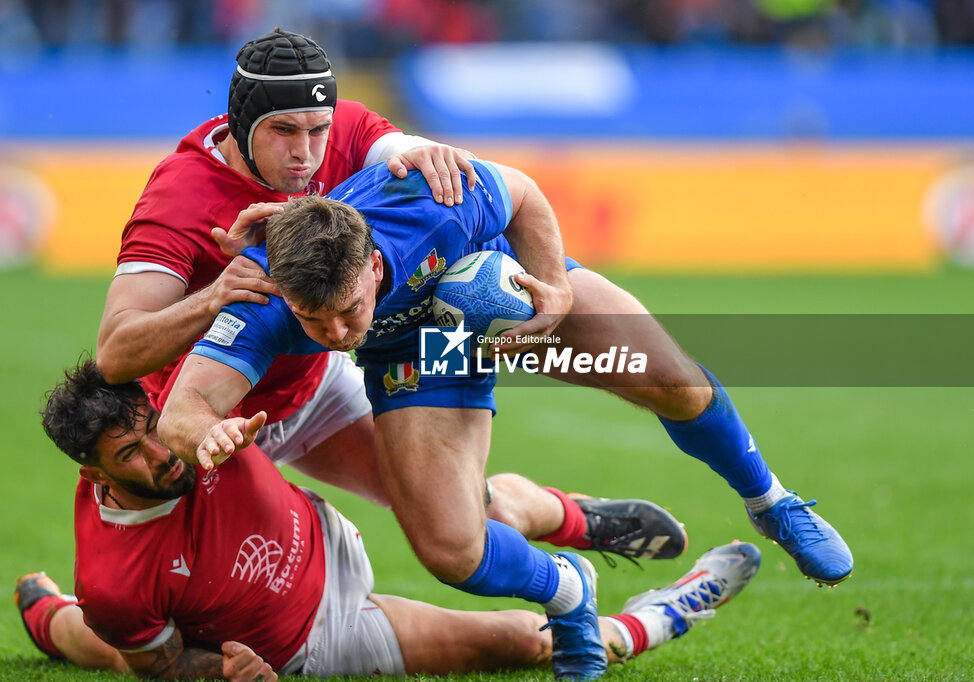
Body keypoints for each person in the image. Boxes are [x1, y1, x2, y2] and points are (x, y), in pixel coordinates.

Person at [158, 159, 853, 679]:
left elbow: (520, 191)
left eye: (349, 310)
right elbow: (182, 409)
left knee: (673, 381)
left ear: (373, 265)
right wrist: (207, 432)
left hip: (505, 288)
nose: (338, 333)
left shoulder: (424, 201)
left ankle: (771, 501)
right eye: (317, 321)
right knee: (450, 551)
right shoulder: (265, 296)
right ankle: (569, 587)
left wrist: (551, 288)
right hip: (422, 351)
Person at [91, 27, 688, 561]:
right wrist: (212, 296)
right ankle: (49, 612)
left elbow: (410, 162)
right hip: (205, 412)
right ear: (244, 126)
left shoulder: (339, 127)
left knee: (456, 522)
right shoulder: (180, 200)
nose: (305, 153)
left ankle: (573, 519)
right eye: (283, 132)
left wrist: (427, 152)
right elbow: (115, 354)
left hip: (315, 381)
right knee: (150, 596)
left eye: (316, 131)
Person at [16, 359, 761, 681]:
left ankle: (569, 517)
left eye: (153, 426)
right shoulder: (117, 575)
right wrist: (226, 670)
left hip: (321, 530)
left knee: (463, 510)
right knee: (527, 647)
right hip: (314, 638)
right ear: (93, 474)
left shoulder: (188, 400)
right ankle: (665, 613)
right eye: (131, 454)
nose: (162, 451)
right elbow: (167, 665)